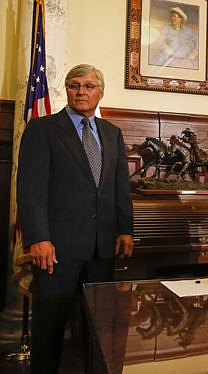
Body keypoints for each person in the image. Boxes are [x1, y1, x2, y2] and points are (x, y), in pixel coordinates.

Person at [17, 64, 134, 373]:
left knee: (96, 330)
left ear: (101, 92)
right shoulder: (42, 129)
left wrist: (125, 230)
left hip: (101, 250)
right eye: (74, 85)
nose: (81, 91)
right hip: (56, 250)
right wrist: (38, 239)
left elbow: (120, 188)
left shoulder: (112, 133)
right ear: (66, 90)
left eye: (89, 86)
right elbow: (31, 191)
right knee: (50, 331)